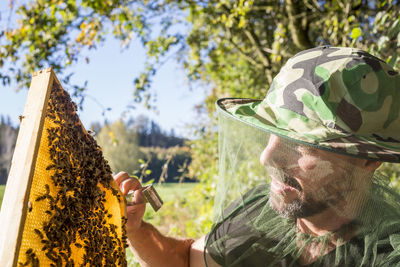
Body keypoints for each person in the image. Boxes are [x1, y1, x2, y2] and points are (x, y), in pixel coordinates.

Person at [114, 46, 400, 266]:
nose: (267, 157)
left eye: (300, 143)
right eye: (271, 133)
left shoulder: (389, 253)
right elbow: (187, 260)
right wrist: (137, 230)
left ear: (369, 157)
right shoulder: (260, 211)